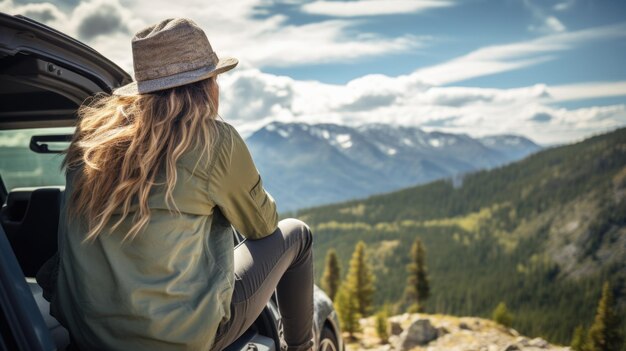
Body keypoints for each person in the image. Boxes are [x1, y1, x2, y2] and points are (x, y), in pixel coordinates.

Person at [42, 18, 315, 351]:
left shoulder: (92, 142)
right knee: (297, 234)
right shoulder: (213, 140)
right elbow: (262, 225)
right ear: (206, 84)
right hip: (178, 338)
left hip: (89, 335)